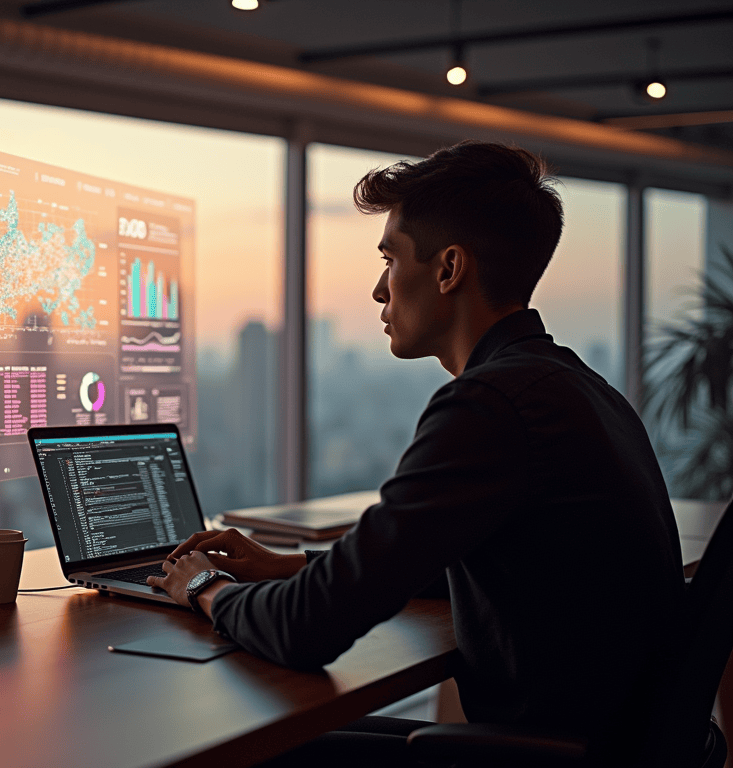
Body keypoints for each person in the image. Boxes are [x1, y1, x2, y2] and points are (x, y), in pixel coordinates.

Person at [147, 141, 685, 766]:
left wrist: (205, 588)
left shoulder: (491, 404)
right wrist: (284, 564)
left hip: (550, 757)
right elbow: (434, 559)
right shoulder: (576, 386)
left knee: (234, 751)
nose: (379, 289)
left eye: (390, 257)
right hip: (617, 746)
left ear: (449, 268)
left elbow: (306, 630)